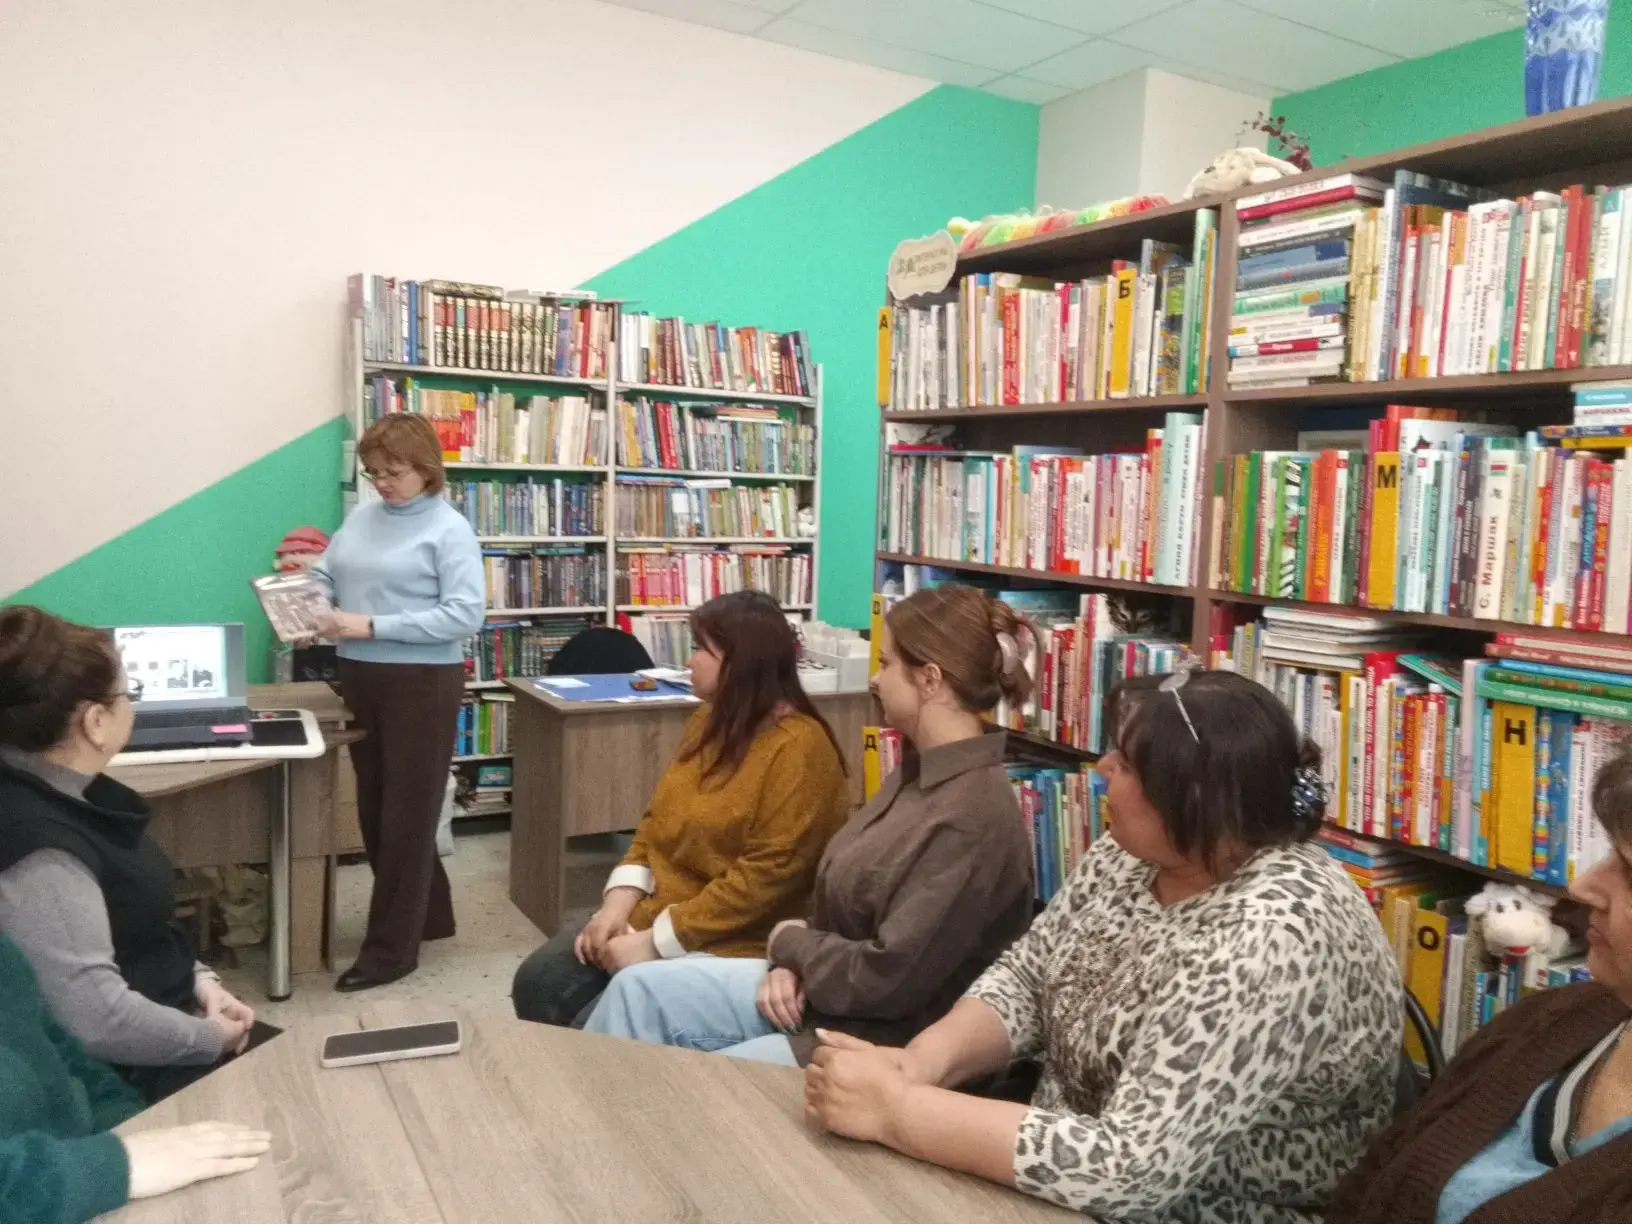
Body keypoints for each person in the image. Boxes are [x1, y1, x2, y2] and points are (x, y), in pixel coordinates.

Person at [804, 668, 1402, 1224]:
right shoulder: (1136, 852)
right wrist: (917, 1065)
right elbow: (1027, 977)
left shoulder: (1273, 934)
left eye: (1128, 764)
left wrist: (898, 1109)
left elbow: (1133, 1170)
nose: (1101, 768)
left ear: (1192, 798)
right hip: (1055, 1175)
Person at [584, 584, 1036, 1067]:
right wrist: (792, 960)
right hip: (819, 987)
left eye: (885, 664)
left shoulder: (969, 818)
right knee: (635, 993)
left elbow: (886, 977)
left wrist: (790, 945)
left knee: (708, 1083)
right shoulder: (918, 773)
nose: (875, 679)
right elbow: (845, 903)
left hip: (873, 1036)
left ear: (929, 680)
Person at [512, 589, 849, 1028]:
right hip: (659, 914)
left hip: (732, 937)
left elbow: (764, 881)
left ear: (740, 662)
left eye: (700, 649)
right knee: (537, 982)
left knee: (596, 1026)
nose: (689, 661)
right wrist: (615, 906)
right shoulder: (710, 720)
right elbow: (655, 823)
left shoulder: (800, 749)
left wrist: (657, 942)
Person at [1325, 747, 1632, 1224]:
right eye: (1607, 854)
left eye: (1629, 873)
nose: (1583, 887)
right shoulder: (1547, 1020)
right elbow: (1375, 1179)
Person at [0, 606, 274, 1103]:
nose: (134, 706)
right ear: (95, 721)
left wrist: (200, 980)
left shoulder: (60, 788)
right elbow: (96, 1019)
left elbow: (134, 924)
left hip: (167, 1013)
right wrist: (209, 1038)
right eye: (131, 694)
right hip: (114, 1079)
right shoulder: (43, 854)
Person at [310, 413, 485, 992]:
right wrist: (308, 602)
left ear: (426, 467)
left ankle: (391, 951)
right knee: (377, 807)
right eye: (374, 473)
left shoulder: (449, 529)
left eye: (394, 472)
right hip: (360, 674)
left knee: (406, 817)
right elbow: (326, 574)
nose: (382, 483)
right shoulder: (362, 517)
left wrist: (371, 624)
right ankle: (431, 916)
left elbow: (465, 615)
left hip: (421, 681)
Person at [0, 932, 270, 1224]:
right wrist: (115, 1166)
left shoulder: (7, 956)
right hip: (63, 1186)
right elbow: (103, 1017)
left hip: (90, 1164)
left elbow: (65, 1054)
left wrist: (132, 1121)